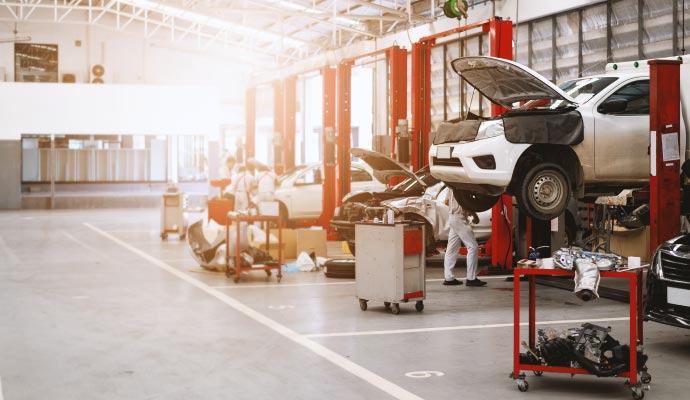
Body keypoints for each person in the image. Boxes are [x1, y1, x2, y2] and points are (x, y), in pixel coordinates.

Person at [443, 190, 487, 287]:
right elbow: (466, 203)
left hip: (452, 217)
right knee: (473, 247)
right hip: (459, 218)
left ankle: (449, 278)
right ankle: (471, 278)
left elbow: (446, 202)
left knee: (452, 248)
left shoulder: (450, 185)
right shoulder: (462, 185)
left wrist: (454, 206)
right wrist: (474, 215)